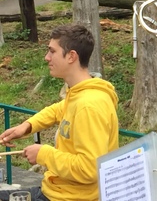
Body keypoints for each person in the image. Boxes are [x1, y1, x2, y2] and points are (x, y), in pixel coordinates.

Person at [0, 24, 120, 201]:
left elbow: (90, 169)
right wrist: (27, 126)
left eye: (52, 51)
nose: (46, 57)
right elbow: (58, 109)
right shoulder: (80, 93)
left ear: (71, 56)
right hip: (56, 191)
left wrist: (43, 154)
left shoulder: (89, 106)